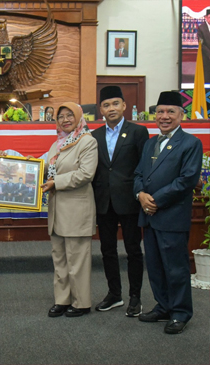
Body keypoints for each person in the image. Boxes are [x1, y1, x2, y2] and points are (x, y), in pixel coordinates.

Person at [134, 91, 203, 335]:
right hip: (149, 216)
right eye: (160, 112)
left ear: (181, 115)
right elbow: (139, 175)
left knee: (176, 268)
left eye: (170, 112)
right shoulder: (151, 142)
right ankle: (163, 306)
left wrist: (155, 200)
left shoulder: (191, 143)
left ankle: (180, 312)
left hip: (171, 216)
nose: (164, 116)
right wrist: (140, 195)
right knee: (154, 266)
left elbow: (186, 180)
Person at [91, 86, 149, 316]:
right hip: (104, 201)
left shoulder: (138, 132)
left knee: (133, 250)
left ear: (124, 106)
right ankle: (114, 294)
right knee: (107, 250)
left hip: (130, 201)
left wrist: (141, 192)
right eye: (106, 105)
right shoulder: (94, 136)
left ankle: (135, 297)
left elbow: (144, 167)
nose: (111, 108)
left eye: (115, 103)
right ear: (100, 109)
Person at [43, 102, 98, 318]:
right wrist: (28, 165)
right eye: (61, 116)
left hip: (77, 210)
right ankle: (62, 300)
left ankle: (81, 302)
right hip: (57, 210)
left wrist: (55, 182)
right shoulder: (58, 143)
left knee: (77, 260)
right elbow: (49, 167)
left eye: (69, 115)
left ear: (79, 117)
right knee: (60, 259)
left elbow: (86, 174)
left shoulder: (87, 142)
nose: (65, 120)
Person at [196, 10, 210, 83]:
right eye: (209, 17)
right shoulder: (201, 28)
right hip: (206, 57)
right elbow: (201, 44)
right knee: (207, 76)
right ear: (206, 17)